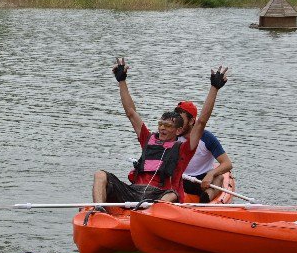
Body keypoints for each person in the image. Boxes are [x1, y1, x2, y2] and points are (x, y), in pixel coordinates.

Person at [92, 59, 228, 204]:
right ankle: (98, 209)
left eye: (168, 126)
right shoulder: (147, 139)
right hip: (135, 191)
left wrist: (214, 88)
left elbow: (201, 122)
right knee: (100, 175)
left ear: (179, 130)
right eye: (161, 124)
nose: (162, 128)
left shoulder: (184, 149)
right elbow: (131, 113)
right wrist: (121, 80)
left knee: (172, 195)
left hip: (162, 196)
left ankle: (152, 215)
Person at [174, 101, 234, 203]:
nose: (176, 124)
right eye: (175, 120)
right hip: (180, 179)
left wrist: (211, 173)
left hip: (203, 181)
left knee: (219, 177)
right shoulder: (172, 136)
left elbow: (227, 164)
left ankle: (205, 200)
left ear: (191, 121)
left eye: (180, 120)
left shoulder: (207, 138)